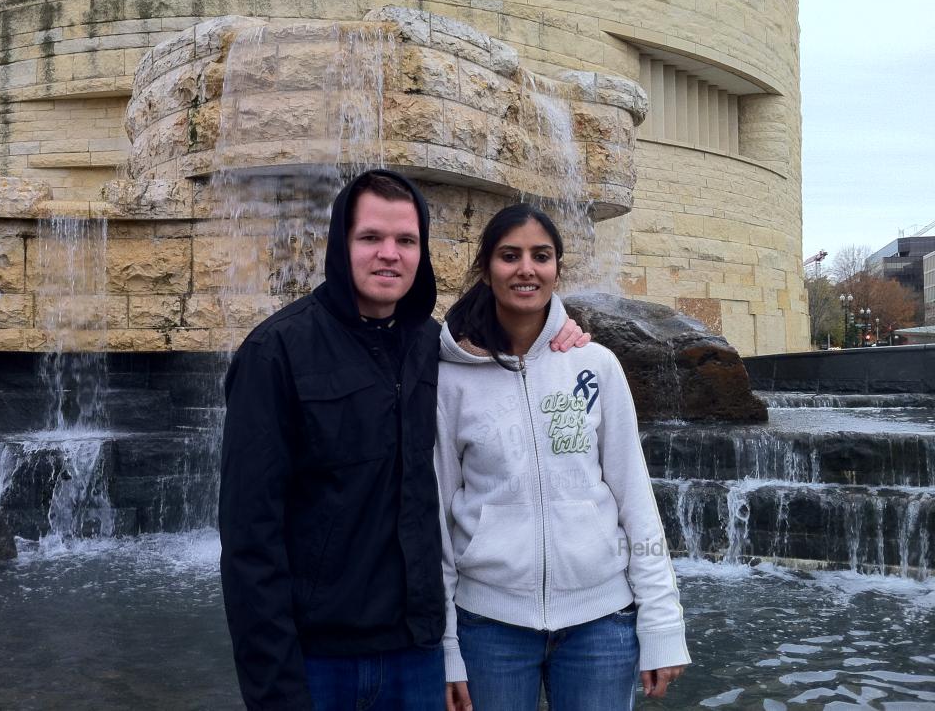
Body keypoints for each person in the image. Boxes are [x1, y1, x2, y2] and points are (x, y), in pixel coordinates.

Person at [219, 171, 588, 710]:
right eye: (371, 238)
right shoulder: (276, 352)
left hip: (417, 658)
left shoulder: (433, 345)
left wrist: (566, 332)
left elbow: (516, 336)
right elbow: (250, 541)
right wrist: (275, 689)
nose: (388, 254)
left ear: (422, 251)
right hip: (319, 661)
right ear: (341, 245)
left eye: (406, 241)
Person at [434, 203, 690, 711]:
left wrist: (662, 622)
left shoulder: (595, 364)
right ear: (486, 269)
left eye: (541, 256)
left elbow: (634, 497)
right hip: (488, 628)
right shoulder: (450, 380)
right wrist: (445, 645)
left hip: (603, 623)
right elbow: (434, 517)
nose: (526, 268)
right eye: (510, 256)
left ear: (557, 268)